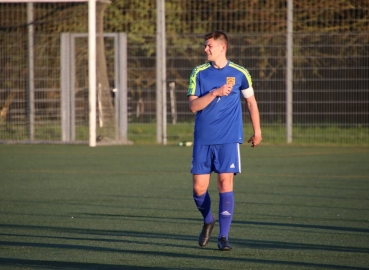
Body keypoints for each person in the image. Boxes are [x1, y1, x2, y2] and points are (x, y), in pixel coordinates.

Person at [187, 30, 262, 251]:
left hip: (229, 138)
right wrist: (215, 93)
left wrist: (257, 131)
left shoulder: (240, 73)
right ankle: (208, 220)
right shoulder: (199, 72)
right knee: (199, 189)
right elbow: (193, 106)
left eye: (209, 46)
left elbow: (251, 103)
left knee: (224, 184)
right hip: (203, 138)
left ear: (222, 47)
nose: (205, 49)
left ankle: (224, 237)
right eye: (205, 46)